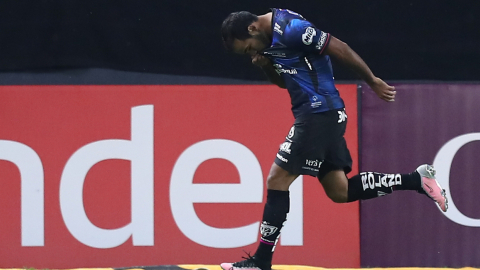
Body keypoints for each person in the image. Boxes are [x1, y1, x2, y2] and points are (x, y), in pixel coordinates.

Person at [219, 8, 448, 270]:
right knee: (341, 191)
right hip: (323, 115)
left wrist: (371, 80)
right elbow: (285, 83)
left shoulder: (291, 29)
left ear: (251, 29)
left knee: (277, 179)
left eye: (247, 49)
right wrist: (266, 65)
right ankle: (417, 180)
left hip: (319, 113)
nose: (250, 53)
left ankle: (261, 262)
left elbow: (339, 47)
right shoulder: (268, 40)